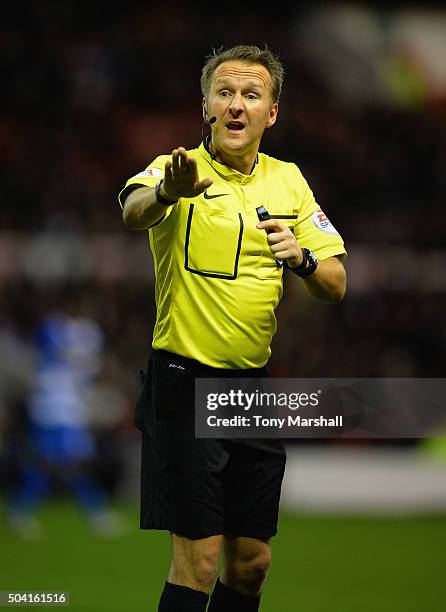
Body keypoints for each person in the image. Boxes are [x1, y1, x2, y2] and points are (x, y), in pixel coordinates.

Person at [118, 45, 347, 612]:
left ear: (272, 113)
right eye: (225, 93)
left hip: (251, 389)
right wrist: (169, 191)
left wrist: (305, 260)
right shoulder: (176, 169)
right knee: (197, 563)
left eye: (251, 94)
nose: (236, 104)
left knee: (251, 566)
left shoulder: (289, 183)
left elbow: (337, 281)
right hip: (184, 383)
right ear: (206, 107)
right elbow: (134, 209)